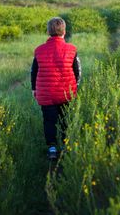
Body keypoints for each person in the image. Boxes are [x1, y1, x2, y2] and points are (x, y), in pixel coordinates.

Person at [31, 17, 81, 160]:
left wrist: (34, 89)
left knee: (49, 121)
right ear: (64, 31)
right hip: (67, 93)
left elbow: (34, 71)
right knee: (66, 120)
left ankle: (52, 149)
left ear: (48, 32)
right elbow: (77, 71)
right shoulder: (72, 50)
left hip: (46, 94)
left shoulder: (39, 50)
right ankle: (66, 147)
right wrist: (75, 87)